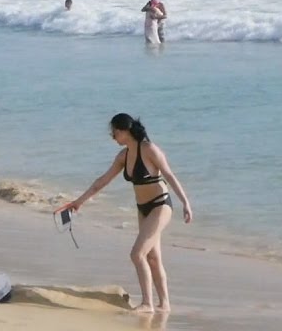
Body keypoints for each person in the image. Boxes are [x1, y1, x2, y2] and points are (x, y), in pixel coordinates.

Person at [57, 114, 193, 313]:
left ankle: (148, 303)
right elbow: (102, 181)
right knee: (153, 257)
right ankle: (164, 304)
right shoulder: (123, 156)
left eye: (114, 131)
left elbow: (169, 175)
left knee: (137, 254)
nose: (113, 136)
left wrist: (186, 203)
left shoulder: (149, 149)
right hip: (143, 209)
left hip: (160, 205)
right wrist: (79, 202)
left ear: (125, 130)